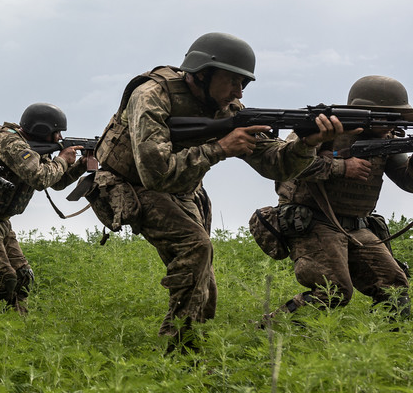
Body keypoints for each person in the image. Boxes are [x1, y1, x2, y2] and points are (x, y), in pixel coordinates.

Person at [91, 32, 342, 353]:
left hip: (182, 186)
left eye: (245, 85)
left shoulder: (226, 106)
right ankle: (180, 350)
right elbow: (154, 173)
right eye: (233, 81)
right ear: (202, 73)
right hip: (130, 183)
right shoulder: (151, 94)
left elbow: (275, 163)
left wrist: (307, 143)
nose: (239, 91)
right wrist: (221, 147)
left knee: (202, 276)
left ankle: (192, 343)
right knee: (196, 248)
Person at [263, 75, 412, 320]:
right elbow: (286, 164)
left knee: (394, 286)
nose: (391, 123)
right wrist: (341, 167)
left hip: (355, 225)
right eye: (386, 115)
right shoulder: (322, 128)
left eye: (395, 117)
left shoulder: (387, 137)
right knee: (334, 291)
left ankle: (390, 348)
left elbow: (408, 182)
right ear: (367, 111)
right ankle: (270, 330)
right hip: (313, 221)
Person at [0, 103, 89, 312]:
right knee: (3, 279)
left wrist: (80, 165)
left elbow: (57, 182)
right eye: (56, 132)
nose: (59, 137)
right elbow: (40, 178)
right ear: (43, 129)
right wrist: (62, 160)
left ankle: (17, 328)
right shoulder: (9, 142)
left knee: (23, 277)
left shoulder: (30, 146)